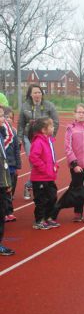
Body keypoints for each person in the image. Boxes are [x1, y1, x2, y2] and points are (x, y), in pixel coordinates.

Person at [18, 84, 59, 200]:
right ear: (30, 94)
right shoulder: (25, 106)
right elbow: (21, 123)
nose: (37, 94)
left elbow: (56, 122)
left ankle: (31, 185)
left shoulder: (49, 105)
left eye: (39, 92)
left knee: (48, 161)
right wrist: (19, 138)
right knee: (34, 162)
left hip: (45, 138)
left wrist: (51, 136)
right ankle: (37, 186)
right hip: (29, 137)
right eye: (35, 92)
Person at [28, 117, 59, 230]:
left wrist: (55, 165)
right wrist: (45, 168)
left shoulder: (49, 140)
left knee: (52, 197)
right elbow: (33, 157)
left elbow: (51, 156)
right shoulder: (38, 142)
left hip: (49, 177)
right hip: (40, 178)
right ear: (43, 130)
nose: (53, 128)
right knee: (41, 200)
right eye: (51, 126)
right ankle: (39, 220)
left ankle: (47, 217)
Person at [2, 107, 21, 222]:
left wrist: (18, 165)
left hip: (12, 165)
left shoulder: (13, 132)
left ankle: (9, 211)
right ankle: (5, 212)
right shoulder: (2, 132)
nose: (8, 119)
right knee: (4, 190)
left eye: (10, 117)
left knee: (10, 190)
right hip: (3, 166)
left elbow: (17, 150)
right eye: (6, 117)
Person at [0, 105, 14, 256]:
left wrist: (7, 183)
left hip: (2, 183)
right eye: (0, 116)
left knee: (1, 213)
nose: (3, 119)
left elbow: (4, 162)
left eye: (3, 115)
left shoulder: (1, 135)